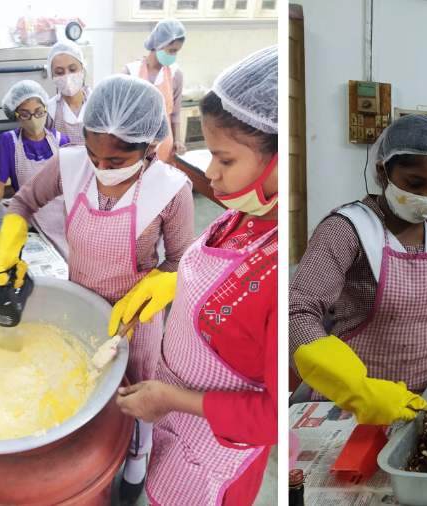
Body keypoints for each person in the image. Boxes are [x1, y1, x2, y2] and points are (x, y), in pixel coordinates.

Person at [0, 74, 194, 503]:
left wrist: (165, 282)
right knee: (81, 384)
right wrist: (10, 241)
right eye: (94, 154)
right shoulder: (70, 164)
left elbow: (181, 260)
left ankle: (138, 455)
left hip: (136, 317)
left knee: (135, 392)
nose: (101, 168)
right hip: (79, 303)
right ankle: (92, 449)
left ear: (148, 146)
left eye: (117, 160)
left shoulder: (170, 190)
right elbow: (25, 201)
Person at [109, 46, 278, 505]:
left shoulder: (282, 272)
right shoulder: (242, 216)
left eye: (225, 161)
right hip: (174, 423)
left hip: (217, 453)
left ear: (281, 161)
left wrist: (171, 399)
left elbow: (272, 417)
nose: (212, 176)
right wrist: (175, 283)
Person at [289, 114, 427, 426]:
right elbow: (297, 312)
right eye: (415, 184)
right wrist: (358, 390)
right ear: (383, 171)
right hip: (354, 410)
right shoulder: (348, 229)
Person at [0, 80, 69, 255]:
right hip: (33, 214)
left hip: (62, 213)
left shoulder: (61, 140)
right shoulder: (8, 142)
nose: (33, 119)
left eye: (39, 112)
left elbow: (71, 187)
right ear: (15, 115)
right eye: (25, 114)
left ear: (46, 109)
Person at [122, 19, 186, 162]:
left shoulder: (175, 74)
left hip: (165, 146)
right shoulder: (130, 72)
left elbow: (175, 114)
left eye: (177, 51)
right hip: (135, 144)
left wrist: (178, 140)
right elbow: (121, 114)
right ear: (158, 44)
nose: (173, 56)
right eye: (171, 50)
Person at [46, 41, 90, 146]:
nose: (67, 76)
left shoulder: (97, 104)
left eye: (72, 69)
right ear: (51, 75)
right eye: (60, 72)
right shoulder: (50, 110)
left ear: (83, 69)